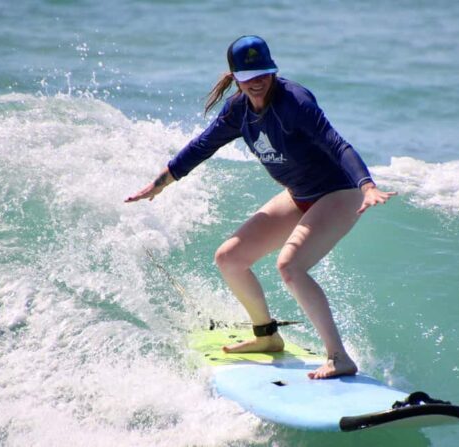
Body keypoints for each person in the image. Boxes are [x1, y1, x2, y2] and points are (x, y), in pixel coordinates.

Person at [126, 35, 395, 379]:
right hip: (300, 193)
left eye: (263, 74)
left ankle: (339, 357)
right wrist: (160, 183)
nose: (257, 82)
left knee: (291, 266)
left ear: (273, 70)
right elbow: (202, 146)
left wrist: (367, 185)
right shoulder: (238, 111)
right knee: (230, 258)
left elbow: (336, 143)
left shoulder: (295, 101)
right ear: (235, 76)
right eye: (249, 76)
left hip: (339, 192)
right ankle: (267, 337)